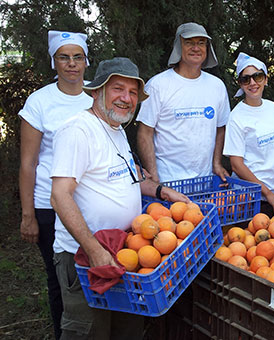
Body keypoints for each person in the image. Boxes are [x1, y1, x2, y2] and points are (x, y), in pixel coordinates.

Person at [50, 57, 188, 339]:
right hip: (85, 258)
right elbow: (60, 195)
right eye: (118, 89)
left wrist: (162, 192)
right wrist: (94, 249)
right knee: (90, 332)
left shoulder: (116, 129)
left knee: (125, 330)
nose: (126, 98)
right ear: (96, 91)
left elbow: (127, 180)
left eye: (133, 92)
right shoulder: (78, 130)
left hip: (122, 250)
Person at [18, 30, 93, 339]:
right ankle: (65, 331)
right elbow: (28, 163)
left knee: (91, 274)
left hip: (89, 204)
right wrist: (28, 215)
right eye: (64, 57)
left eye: (77, 57)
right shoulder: (40, 102)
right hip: (49, 206)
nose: (71, 64)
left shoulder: (97, 95)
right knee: (59, 278)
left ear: (87, 61)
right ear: (54, 62)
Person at [137, 22, 230, 183]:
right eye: (189, 43)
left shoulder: (217, 86)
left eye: (201, 43)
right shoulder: (158, 85)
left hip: (205, 182)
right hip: (168, 182)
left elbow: (221, 129)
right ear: (178, 47)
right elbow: (145, 133)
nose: (196, 48)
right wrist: (154, 177)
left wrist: (216, 163)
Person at [223, 52, 274, 216]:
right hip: (251, 199)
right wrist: (267, 193)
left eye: (257, 76)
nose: (252, 83)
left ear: (265, 79)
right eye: (245, 79)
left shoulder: (273, 108)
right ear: (240, 84)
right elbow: (236, 164)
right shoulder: (237, 117)